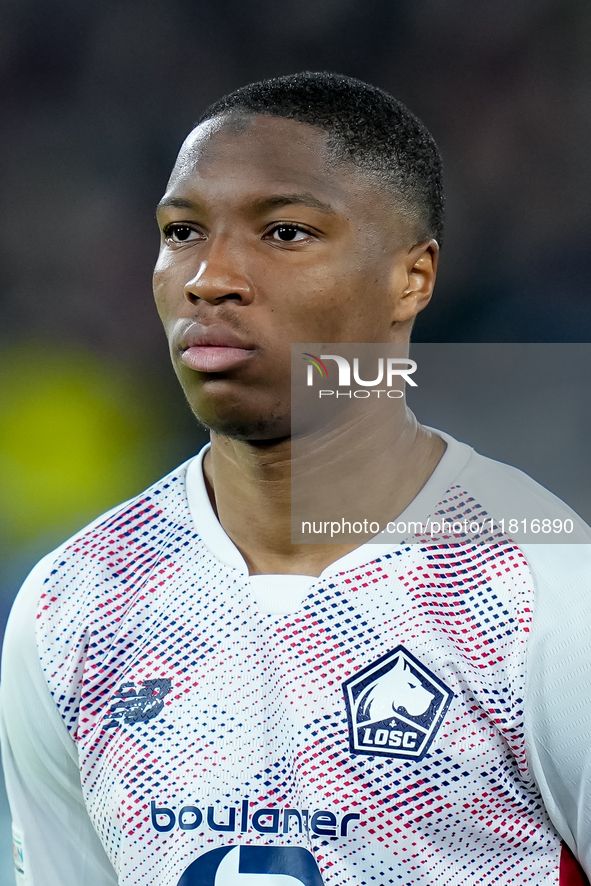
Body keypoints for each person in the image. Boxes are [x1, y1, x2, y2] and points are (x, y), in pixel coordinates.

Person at [1, 71, 590, 886]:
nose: (209, 277)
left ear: (409, 279)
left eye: (282, 233)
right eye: (180, 232)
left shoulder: (546, 596)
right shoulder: (77, 601)